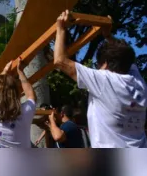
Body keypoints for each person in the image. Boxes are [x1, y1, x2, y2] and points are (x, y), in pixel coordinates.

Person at [54, 10, 147, 148]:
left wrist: (60, 28)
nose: (97, 69)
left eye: (98, 65)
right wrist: (108, 35)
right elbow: (124, 55)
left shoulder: (104, 81)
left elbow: (60, 61)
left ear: (106, 64)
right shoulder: (139, 82)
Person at [0, 58, 36, 148]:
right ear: (16, 93)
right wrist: (20, 72)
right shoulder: (24, 112)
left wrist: (4, 72)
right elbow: (31, 96)